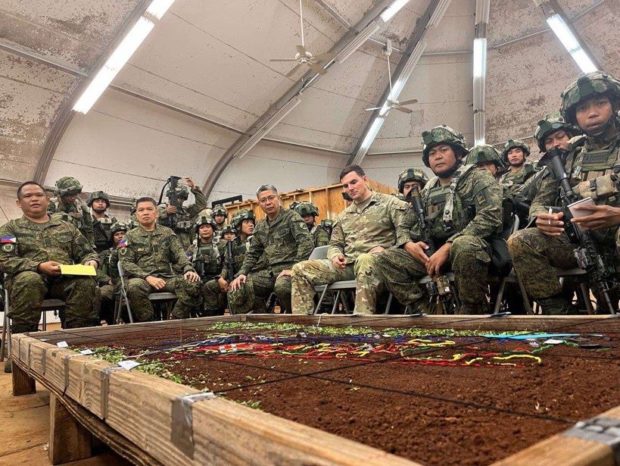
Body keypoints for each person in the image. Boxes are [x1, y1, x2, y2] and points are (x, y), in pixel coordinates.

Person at [508, 71, 620, 314]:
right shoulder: (568, 155)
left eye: (600, 103)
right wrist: (541, 218)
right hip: (580, 242)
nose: (592, 113)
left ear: (613, 104)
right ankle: (559, 315)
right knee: (521, 242)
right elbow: (540, 201)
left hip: (616, 237)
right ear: (574, 117)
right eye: (582, 109)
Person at [375, 125, 503, 314]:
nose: (438, 156)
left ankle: (472, 314)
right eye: (432, 153)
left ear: (458, 153)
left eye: (444, 150)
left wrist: (449, 246)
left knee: (464, 245)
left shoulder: (477, 177)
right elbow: (404, 224)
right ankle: (426, 313)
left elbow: (490, 216)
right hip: (433, 253)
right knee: (385, 259)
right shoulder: (426, 190)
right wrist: (408, 244)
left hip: (472, 252)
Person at [291, 165, 410, 315]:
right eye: (346, 186)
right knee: (300, 269)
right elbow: (335, 244)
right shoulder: (343, 216)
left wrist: (387, 251)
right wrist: (335, 255)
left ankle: (362, 325)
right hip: (348, 266)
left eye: (354, 182)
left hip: (380, 263)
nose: (350, 188)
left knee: (364, 260)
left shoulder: (391, 204)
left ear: (365, 179)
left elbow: (406, 237)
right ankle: (302, 327)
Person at [0, 181, 99, 333]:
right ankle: (25, 338)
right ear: (19, 203)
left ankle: (77, 337)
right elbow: (5, 260)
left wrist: (91, 262)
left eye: (39, 195)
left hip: (62, 281)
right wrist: (39, 267)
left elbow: (87, 252)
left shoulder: (66, 227)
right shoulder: (10, 229)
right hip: (28, 282)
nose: (34, 199)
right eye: (28, 196)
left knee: (84, 282)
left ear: (47, 199)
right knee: (29, 280)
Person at [228, 185, 313, 313]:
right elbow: (252, 253)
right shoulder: (261, 226)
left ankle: (295, 319)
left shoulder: (291, 217)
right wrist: (242, 273)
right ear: (259, 204)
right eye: (263, 200)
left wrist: (295, 269)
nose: (268, 202)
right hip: (270, 273)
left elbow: (306, 243)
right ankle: (260, 321)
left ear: (278, 198)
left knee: (282, 287)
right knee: (239, 286)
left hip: (291, 270)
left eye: (271, 198)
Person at [121, 197, 201, 321]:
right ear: (136, 215)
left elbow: (179, 253)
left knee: (193, 282)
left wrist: (188, 269)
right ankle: (150, 324)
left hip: (166, 278)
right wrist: (147, 277)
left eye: (149, 209)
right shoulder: (129, 236)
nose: (145, 212)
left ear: (156, 213)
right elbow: (126, 262)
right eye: (141, 210)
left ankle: (176, 321)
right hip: (142, 279)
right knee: (133, 287)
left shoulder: (167, 233)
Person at [188, 216, 225, 316]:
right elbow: (186, 264)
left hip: (217, 280)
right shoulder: (192, 248)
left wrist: (221, 277)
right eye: (202, 227)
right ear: (198, 231)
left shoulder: (222, 245)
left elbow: (227, 264)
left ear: (213, 229)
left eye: (208, 227)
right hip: (199, 280)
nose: (205, 229)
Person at [158, 177, 207, 249]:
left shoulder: (186, 211)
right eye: (178, 197)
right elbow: (152, 218)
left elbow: (202, 204)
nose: (180, 200)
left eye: (182, 198)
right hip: (168, 248)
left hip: (186, 248)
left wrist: (194, 189)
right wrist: (166, 212)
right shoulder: (162, 208)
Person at [95, 221, 128, 324]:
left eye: (123, 233)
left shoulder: (135, 250)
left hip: (130, 282)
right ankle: (108, 322)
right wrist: (107, 280)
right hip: (112, 283)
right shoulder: (105, 254)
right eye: (117, 234)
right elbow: (96, 271)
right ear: (112, 237)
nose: (120, 236)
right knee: (101, 293)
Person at [48, 176, 95, 245]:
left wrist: (90, 245)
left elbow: (88, 229)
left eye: (75, 194)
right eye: (69, 195)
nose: (73, 198)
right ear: (61, 194)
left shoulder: (81, 206)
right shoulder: (51, 205)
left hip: (75, 244)